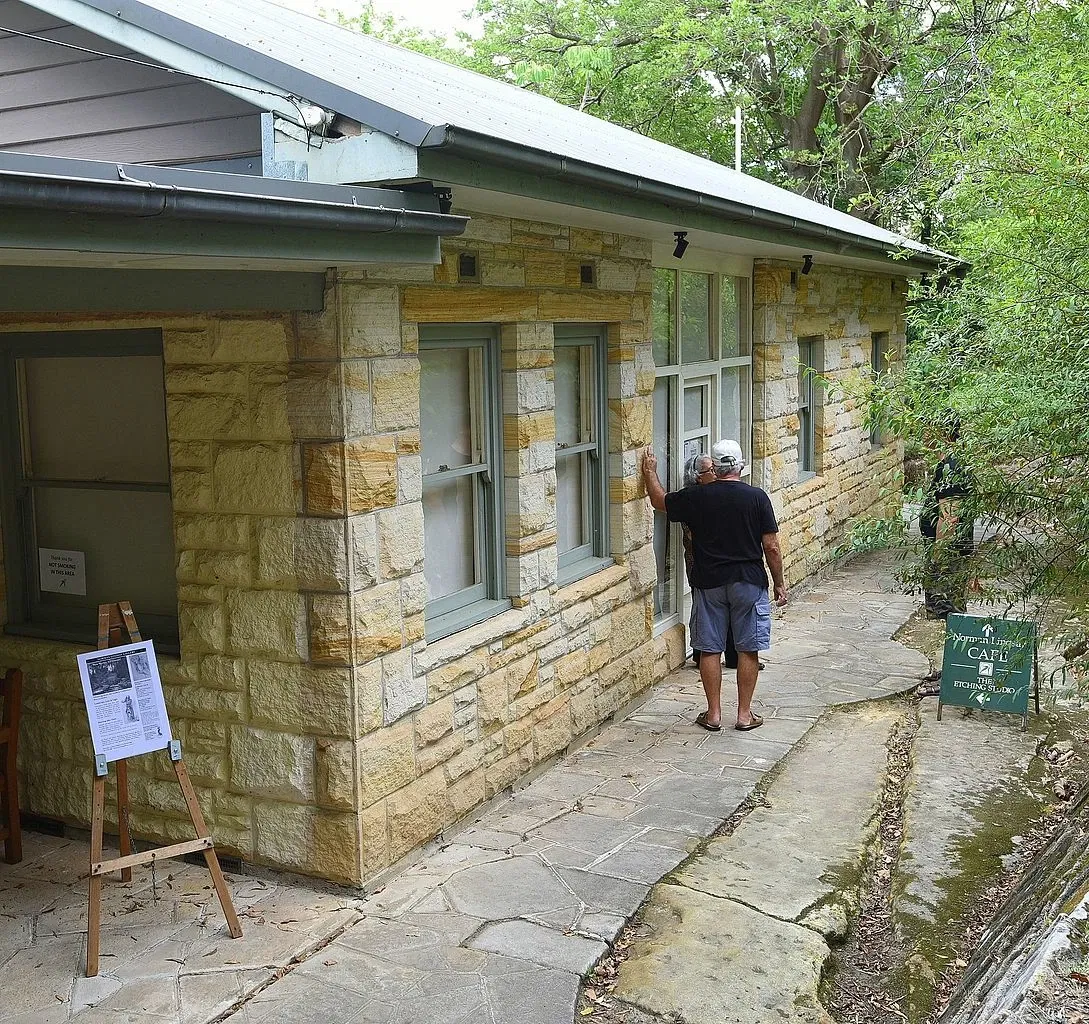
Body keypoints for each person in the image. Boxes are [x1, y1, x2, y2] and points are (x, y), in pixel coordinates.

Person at [643, 439, 788, 731]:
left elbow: (660, 502)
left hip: (709, 583)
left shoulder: (698, 496)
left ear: (715, 468)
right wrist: (779, 584)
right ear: (740, 465)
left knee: (710, 648)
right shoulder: (756, 497)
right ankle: (745, 715)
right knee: (748, 648)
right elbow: (771, 546)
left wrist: (649, 472)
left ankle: (713, 715)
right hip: (748, 582)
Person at [919, 414, 975, 620]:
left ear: (942, 433)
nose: (924, 435)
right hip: (950, 551)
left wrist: (938, 555)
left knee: (946, 612)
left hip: (948, 554)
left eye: (928, 429)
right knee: (948, 609)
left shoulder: (951, 468)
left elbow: (949, 516)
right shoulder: (950, 463)